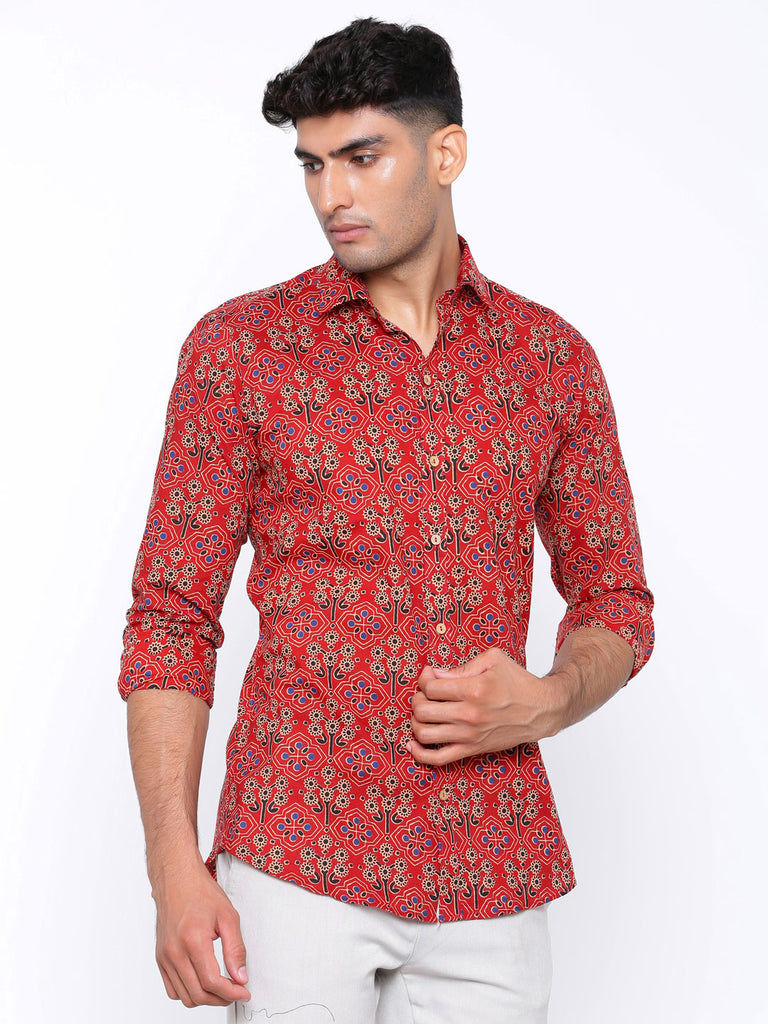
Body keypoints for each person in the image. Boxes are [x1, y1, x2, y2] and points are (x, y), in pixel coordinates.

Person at [120, 17, 654, 1024]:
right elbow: (170, 619)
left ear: (446, 152)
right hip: (295, 860)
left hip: (493, 866)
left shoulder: (552, 361)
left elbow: (617, 600)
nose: (332, 194)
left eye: (362, 157)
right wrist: (174, 870)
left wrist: (548, 699)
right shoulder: (240, 352)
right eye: (312, 164)